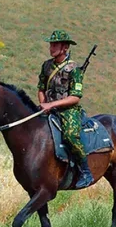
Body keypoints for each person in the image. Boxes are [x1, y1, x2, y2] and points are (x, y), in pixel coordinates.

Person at [37, 29, 93, 188]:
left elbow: (75, 97)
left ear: (65, 48)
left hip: (68, 110)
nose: (51, 47)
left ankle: (86, 171)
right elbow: (41, 88)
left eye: (55, 45)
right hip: (48, 108)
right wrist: (43, 104)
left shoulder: (74, 69)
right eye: (51, 44)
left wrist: (51, 104)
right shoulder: (46, 66)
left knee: (70, 136)